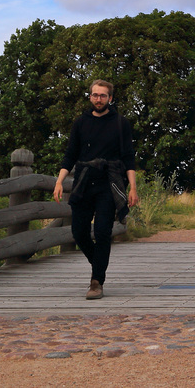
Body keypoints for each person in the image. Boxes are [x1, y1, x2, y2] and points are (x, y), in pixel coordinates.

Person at [53, 79, 139, 300]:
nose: (98, 99)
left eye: (102, 96)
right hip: (83, 181)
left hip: (109, 183)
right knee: (79, 232)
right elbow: (70, 154)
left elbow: (129, 158)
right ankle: (99, 264)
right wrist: (59, 181)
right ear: (90, 97)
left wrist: (133, 188)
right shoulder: (80, 123)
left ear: (110, 98)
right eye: (94, 95)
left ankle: (96, 281)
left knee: (102, 232)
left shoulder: (120, 123)